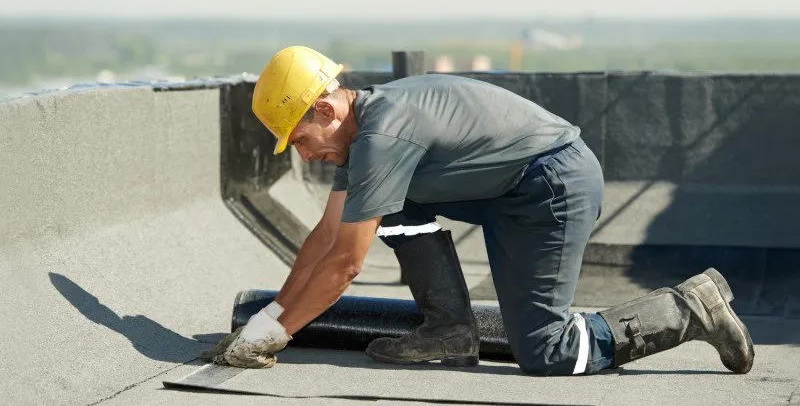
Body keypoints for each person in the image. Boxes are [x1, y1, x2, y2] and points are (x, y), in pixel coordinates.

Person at [207, 45, 755, 375]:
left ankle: (687, 310)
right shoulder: (361, 138)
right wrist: (269, 317)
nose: (305, 155)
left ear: (326, 107)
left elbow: (344, 266)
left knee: (547, 351)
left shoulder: (383, 134)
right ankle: (450, 330)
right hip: (508, 189)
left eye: (301, 139)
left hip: (552, 187)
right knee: (386, 206)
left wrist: (276, 335)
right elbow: (325, 240)